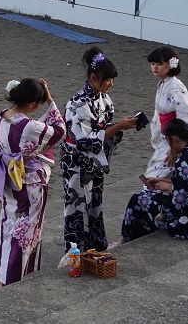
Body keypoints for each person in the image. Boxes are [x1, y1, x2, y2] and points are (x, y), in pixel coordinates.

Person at [0, 77, 65, 286]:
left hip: (8, 182)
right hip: (29, 186)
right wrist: (50, 100)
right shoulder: (28, 127)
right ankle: (14, 280)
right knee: (25, 234)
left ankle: (4, 278)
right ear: (32, 104)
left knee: (8, 228)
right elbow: (59, 131)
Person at [60, 48, 140, 253]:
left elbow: (101, 129)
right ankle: (75, 250)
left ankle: (95, 245)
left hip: (94, 159)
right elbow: (85, 140)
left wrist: (119, 126)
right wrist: (118, 127)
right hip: (76, 159)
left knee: (95, 201)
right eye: (107, 80)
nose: (110, 84)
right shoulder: (76, 104)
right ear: (94, 78)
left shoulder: (104, 98)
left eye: (112, 80)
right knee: (76, 205)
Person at [121, 119, 188, 241]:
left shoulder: (184, 161)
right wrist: (164, 181)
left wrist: (167, 187)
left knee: (138, 199)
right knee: (149, 196)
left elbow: (181, 202)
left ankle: (125, 239)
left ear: (175, 139)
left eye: (169, 142)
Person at [143, 46, 188, 185]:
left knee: (156, 176)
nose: (155, 67)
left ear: (170, 65)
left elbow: (184, 113)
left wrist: (174, 147)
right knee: (161, 175)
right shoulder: (162, 83)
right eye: (153, 64)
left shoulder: (175, 86)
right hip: (167, 137)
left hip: (176, 139)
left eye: (159, 64)